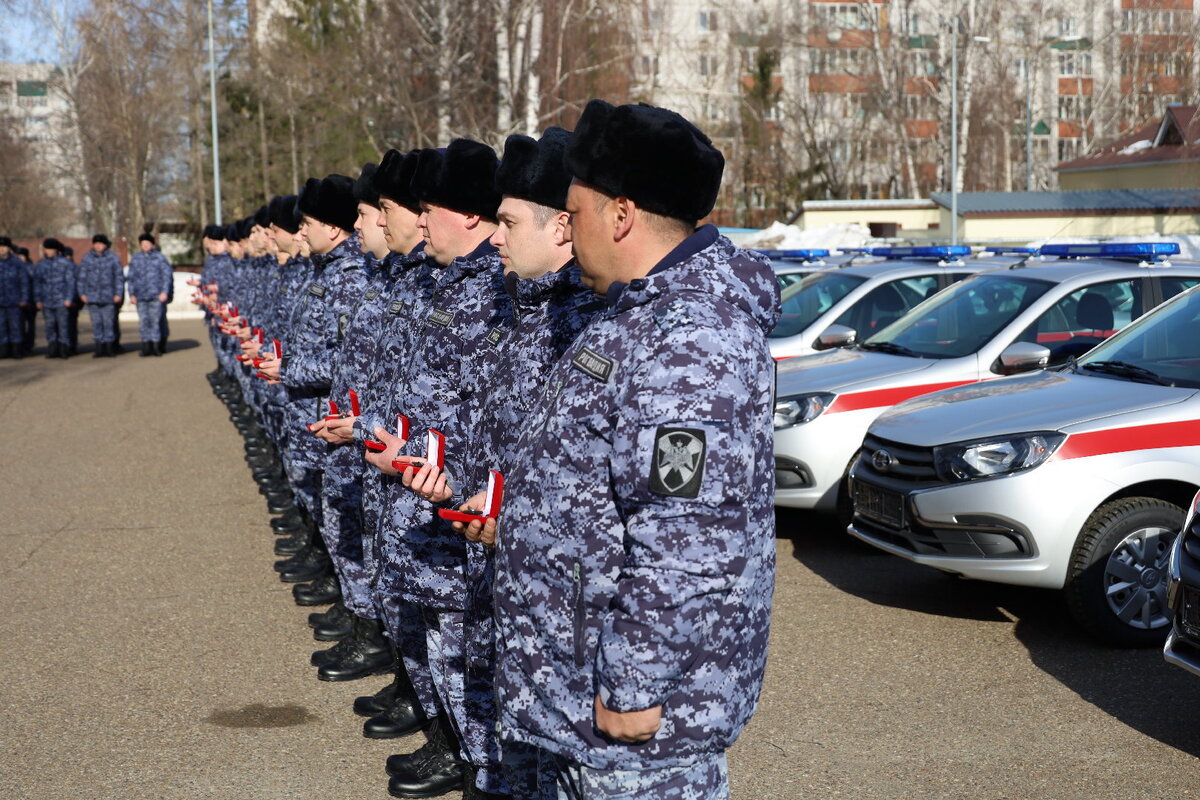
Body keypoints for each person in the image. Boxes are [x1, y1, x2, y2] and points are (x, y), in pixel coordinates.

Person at [481, 100, 781, 800]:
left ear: (620, 215)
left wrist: (636, 682)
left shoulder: (689, 338)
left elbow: (687, 539)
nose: (569, 229)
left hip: (636, 727)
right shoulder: (635, 311)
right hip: (581, 695)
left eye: (576, 212)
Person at [402, 127, 606, 800]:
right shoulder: (517, 309)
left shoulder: (592, 324)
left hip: (562, 598)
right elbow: (485, 437)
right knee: (509, 736)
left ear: (561, 232)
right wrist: (447, 479)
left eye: (510, 221)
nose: (495, 236)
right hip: (498, 567)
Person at [126, 233, 174, 356]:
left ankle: (156, 346)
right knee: (144, 321)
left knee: (155, 321)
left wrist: (164, 292)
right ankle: (146, 346)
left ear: (152, 245)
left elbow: (166, 276)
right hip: (141, 296)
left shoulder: (160, 258)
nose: (145, 246)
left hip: (156, 296)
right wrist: (132, 294)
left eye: (147, 243)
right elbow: (131, 277)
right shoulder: (136, 258)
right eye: (143, 244)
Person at [78, 234, 125, 357]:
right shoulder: (87, 258)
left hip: (109, 297)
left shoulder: (113, 258)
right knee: (96, 323)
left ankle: (109, 348)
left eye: (101, 243)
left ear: (105, 245)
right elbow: (81, 277)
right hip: (92, 297)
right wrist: (82, 293)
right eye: (96, 243)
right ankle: (99, 348)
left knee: (108, 323)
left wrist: (118, 293)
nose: (98, 246)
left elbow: (119, 278)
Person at [33, 238, 77, 359]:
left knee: (63, 325)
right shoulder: (41, 264)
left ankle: (64, 348)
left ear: (56, 250)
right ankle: (52, 348)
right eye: (45, 249)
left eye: (49, 249)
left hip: (61, 300)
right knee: (49, 326)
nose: (47, 251)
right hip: (47, 301)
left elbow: (70, 282)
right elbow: (37, 283)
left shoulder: (65, 263)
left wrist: (69, 298)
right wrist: (38, 299)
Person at [0, 236, 30, 359]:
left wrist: (24, 298)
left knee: (15, 327)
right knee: (1, 328)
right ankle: (3, 351)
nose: (1, 249)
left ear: (9, 248)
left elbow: (24, 282)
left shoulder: (17, 263)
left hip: (15, 301)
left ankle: (17, 350)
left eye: (4, 247)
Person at [16, 246, 36, 355]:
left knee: (30, 325)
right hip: (19, 301)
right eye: (18, 256)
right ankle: (21, 346)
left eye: (21, 256)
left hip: (31, 301)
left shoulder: (31, 268)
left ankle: (29, 345)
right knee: (19, 325)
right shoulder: (16, 268)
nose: (19, 258)